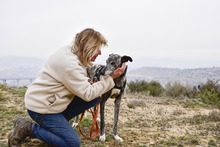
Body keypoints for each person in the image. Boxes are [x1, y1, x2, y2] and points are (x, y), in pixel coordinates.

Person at [8, 28, 126, 147]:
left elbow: (85, 84)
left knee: (95, 98)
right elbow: (87, 93)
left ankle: (56, 126)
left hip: (51, 102)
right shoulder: (69, 63)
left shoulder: (73, 52)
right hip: (42, 108)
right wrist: (111, 77)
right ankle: (28, 128)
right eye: (97, 49)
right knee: (71, 143)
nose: (100, 53)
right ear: (88, 47)